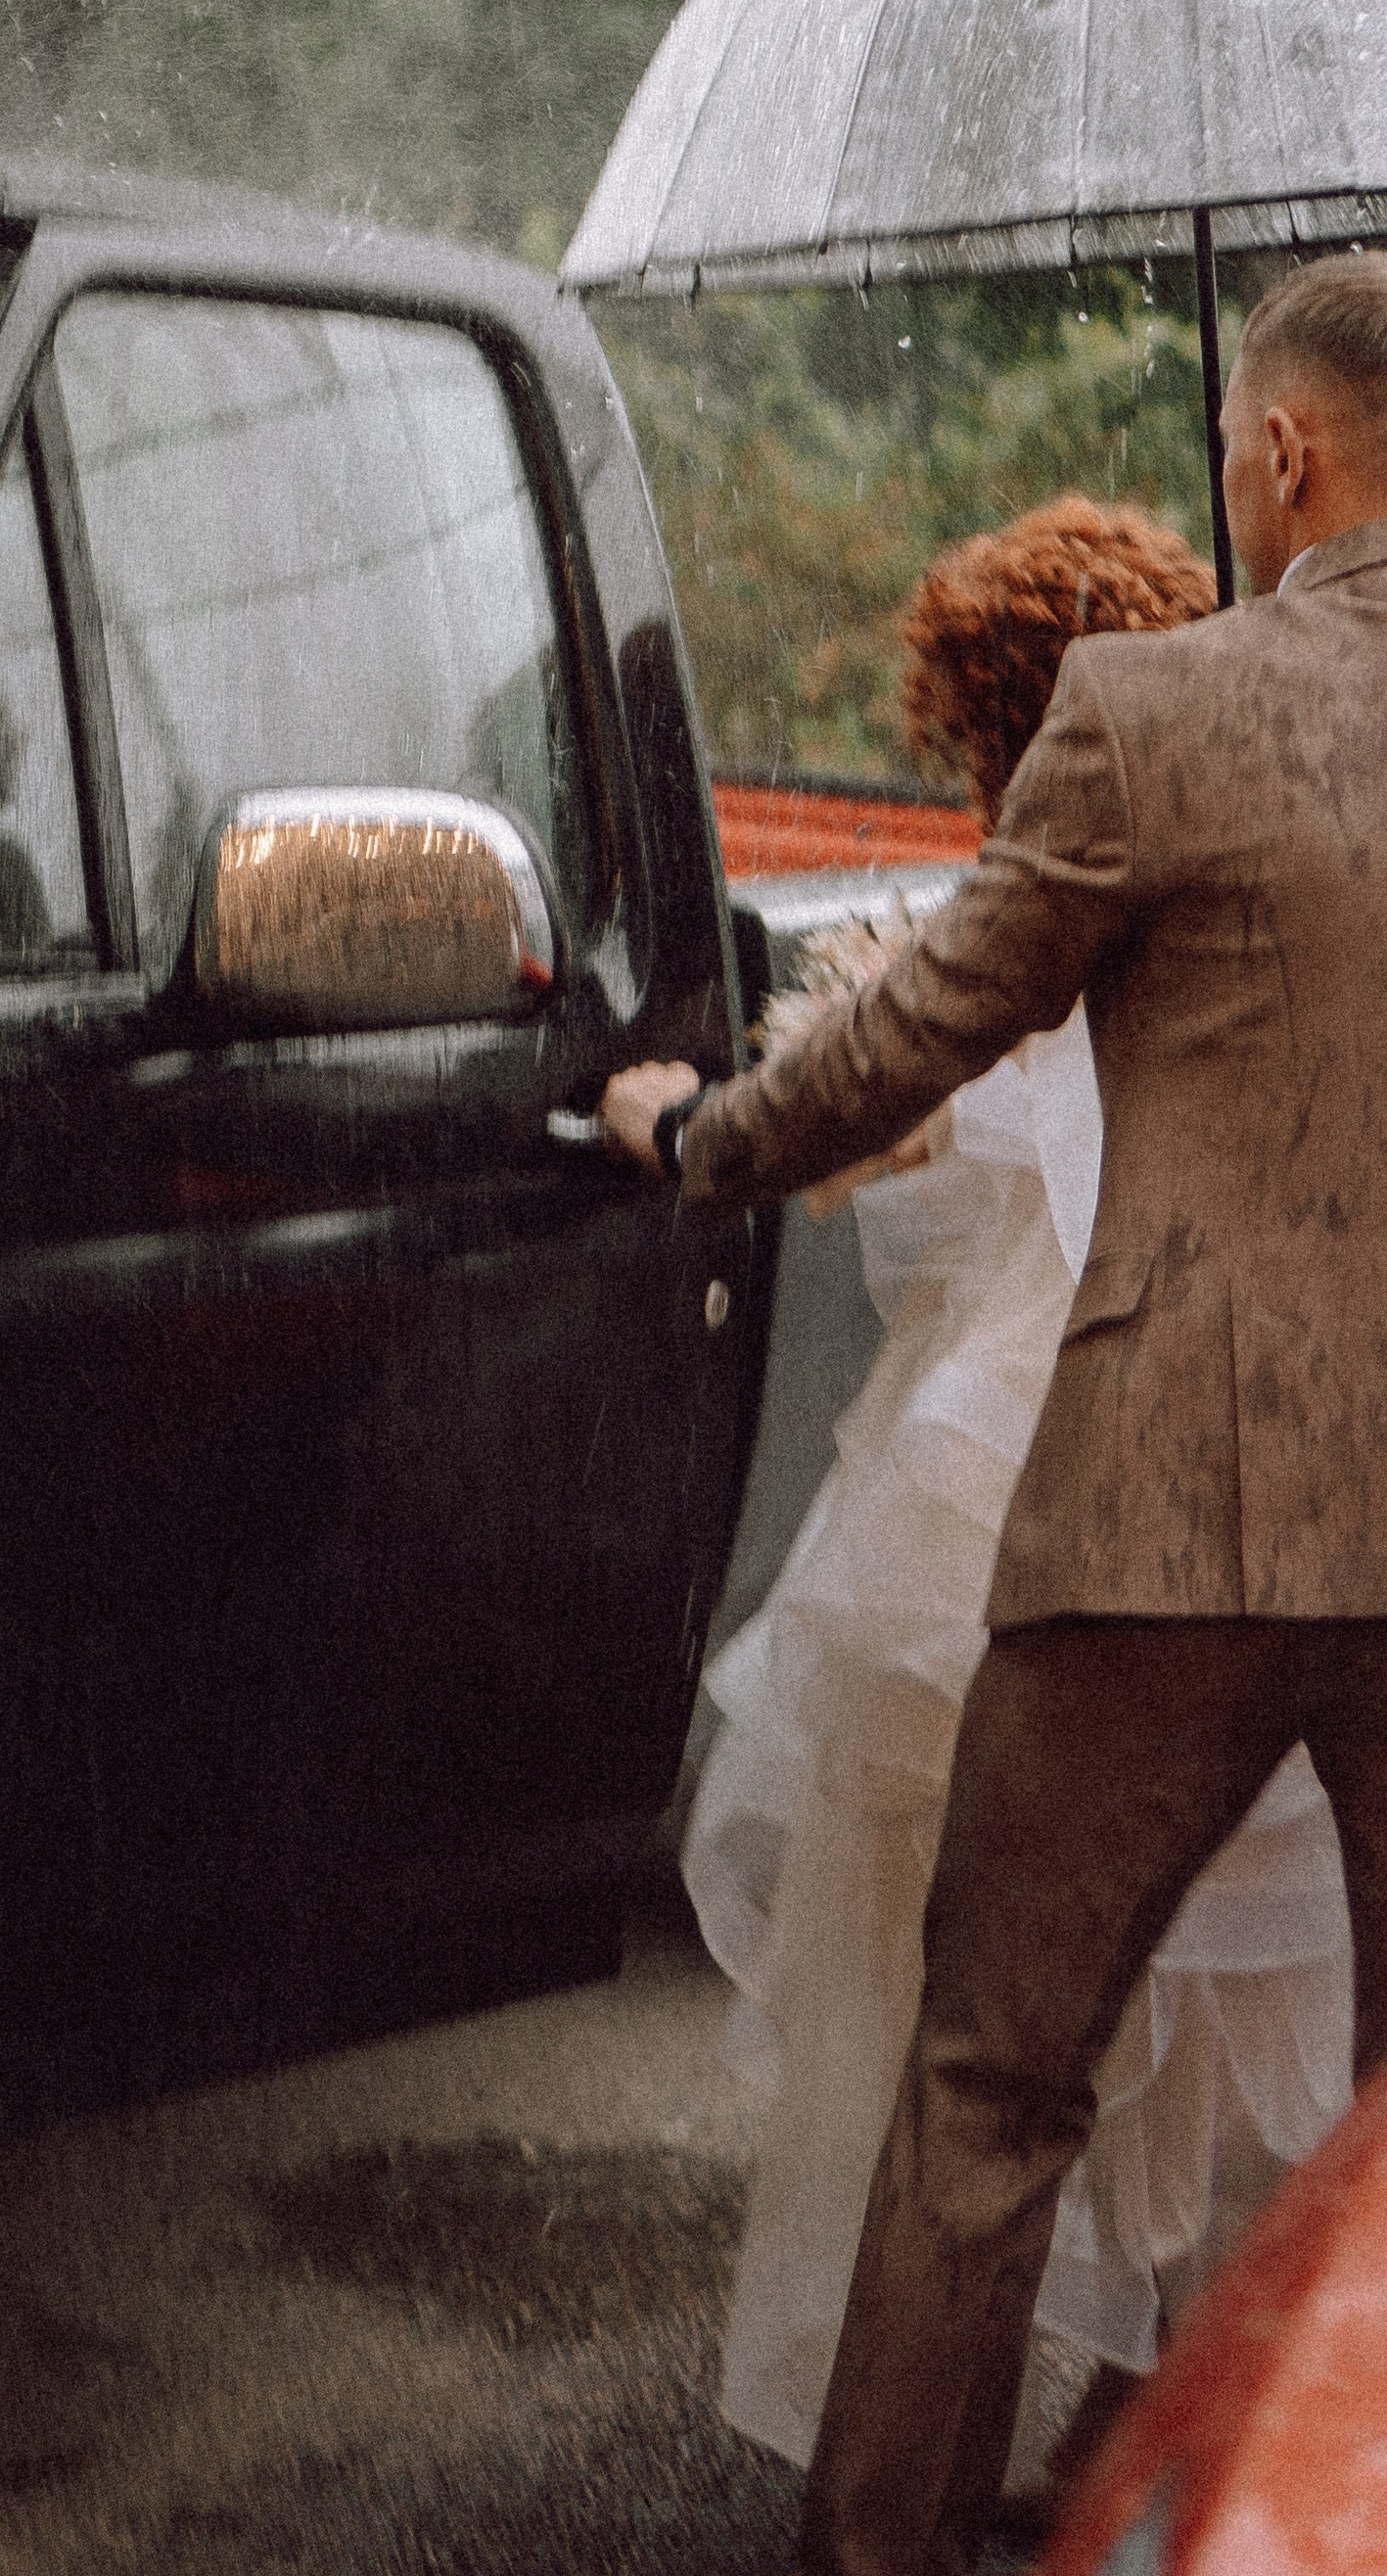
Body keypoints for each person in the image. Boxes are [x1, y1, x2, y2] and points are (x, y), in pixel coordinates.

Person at [604, 252, 1387, 2576]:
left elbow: (911, 1032)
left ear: (1272, 452)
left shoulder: (1152, 715)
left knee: (986, 2081)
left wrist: (688, 1137)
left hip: (1173, 1517)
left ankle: (891, 2555)